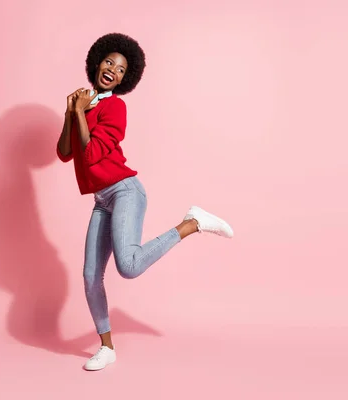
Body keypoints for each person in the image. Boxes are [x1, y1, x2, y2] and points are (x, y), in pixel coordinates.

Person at [56, 33, 233, 371]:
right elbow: (65, 152)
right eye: (109, 62)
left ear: (125, 79)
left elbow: (91, 154)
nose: (112, 70)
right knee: (91, 276)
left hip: (124, 191)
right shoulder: (85, 104)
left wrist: (80, 113)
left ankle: (192, 222)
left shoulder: (115, 106)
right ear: (97, 63)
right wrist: (70, 112)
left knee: (129, 266)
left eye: (121, 69)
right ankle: (107, 347)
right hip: (101, 198)